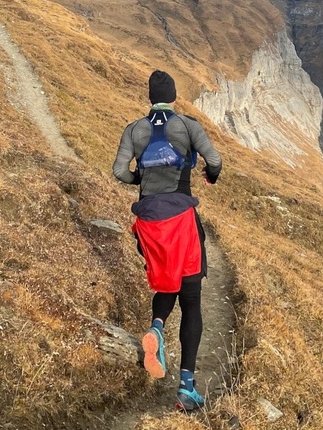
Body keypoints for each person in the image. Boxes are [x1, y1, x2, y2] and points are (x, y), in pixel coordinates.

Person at [113, 70, 222, 412]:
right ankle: (187, 388)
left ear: (150, 97)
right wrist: (210, 175)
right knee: (190, 298)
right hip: (180, 222)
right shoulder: (187, 126)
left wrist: (141, 179)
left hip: (148, 223)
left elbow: (119, 171)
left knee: (166, 281)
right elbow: (215, 161)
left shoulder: (134, 129)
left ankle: (157, 328)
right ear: (173, 97)